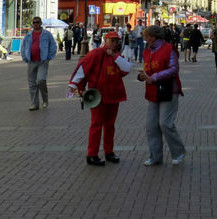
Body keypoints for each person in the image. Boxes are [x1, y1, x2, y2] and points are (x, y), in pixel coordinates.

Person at [68, 31, 133, 166]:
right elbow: (82, 69)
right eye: (112, 41)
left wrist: (115, 56)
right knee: (96, 125)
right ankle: (92, 154)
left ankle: (109, 152)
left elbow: (127, 68)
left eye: (116, 41)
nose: (114, 43)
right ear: (105, 40)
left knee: (110, 125)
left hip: (114, 95)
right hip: (98, 96)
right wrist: (75, 86)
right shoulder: (96, 54)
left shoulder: (116, 56)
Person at [137, 25, 185, 166]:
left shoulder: (169, 49)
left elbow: (174, 69)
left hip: (169, 90)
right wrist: (142, 76)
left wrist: (155, 77)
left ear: (153, 37)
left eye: (146, 36)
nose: (145, 39)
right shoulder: (147, 52)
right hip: (152, 91)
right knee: (151, 125)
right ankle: (155, 156)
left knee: (165, 123)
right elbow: (147, 69)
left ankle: (178, 152)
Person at [21, 17, 57, 110]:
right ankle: (34, 104)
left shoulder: (46, 34)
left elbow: (53, 46)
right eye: (34, 22)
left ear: (41, 23)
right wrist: (25, 57)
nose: (36, 24)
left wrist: (49, 57)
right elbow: (23, 46)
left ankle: (45, 99)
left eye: (37, 22)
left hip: (42, 61)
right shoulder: (28, 35)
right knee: (32, 84)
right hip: (31, 61)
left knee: (40, 80)